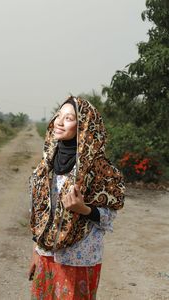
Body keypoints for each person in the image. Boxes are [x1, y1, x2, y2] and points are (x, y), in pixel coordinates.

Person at [29, 96, 125, 300]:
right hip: (46, 256)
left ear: (84, 127)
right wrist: (36, 252)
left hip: (79, 259)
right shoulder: (46, 166)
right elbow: (41, 216)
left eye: (69, 118)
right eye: (58, 115)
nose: (59, 122)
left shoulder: (100, 170)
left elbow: (110, 217)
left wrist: (84, 210)